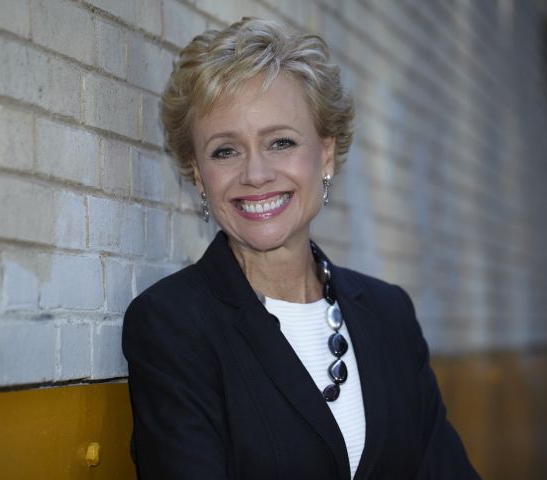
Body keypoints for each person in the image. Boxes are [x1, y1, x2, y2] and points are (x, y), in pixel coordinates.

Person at [122, 17, 480, 480]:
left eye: (281, 143)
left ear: (325, 155)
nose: (256, 174)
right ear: (198, 174)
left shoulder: (389, 314)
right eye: (225, 151)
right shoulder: (171, 326)